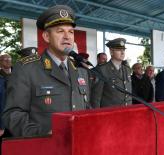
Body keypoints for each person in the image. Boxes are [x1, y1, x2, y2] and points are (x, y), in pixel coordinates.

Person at [2, 5, 90, 137]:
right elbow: (13, 114)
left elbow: (86, 109)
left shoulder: (81, 71)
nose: (67, 37)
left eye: (71, 32)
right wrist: (43, 134)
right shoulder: (27, 69)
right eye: (60, 31)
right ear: (47, 36)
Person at [90, 38, 132, 108]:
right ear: (111, 52)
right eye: (119, 50)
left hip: (127, 112)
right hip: (110, 115)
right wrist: (97, 117)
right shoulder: (102, 70)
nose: (122, 52)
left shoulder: (127, 69)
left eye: (123, 50)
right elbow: (96, 98)